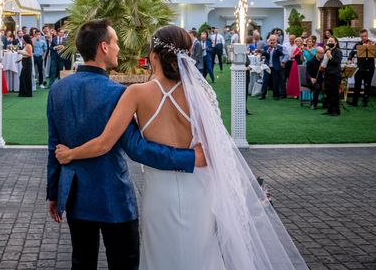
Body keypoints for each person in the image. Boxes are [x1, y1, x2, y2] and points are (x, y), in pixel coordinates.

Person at [54, 23, 307, 270]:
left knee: (160, 256)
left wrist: (70, 154)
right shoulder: (201, 94)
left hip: (159, 193)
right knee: (200, 256)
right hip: (198, 189)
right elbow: (210, 153)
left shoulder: (136, 94)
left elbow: (106, 143)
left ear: (154, 55)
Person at [46, 20, 204, 270]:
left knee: (81, 261)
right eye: (116, 42)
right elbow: (137, 149)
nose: (119, 48)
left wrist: (53, 192)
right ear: (104, 48)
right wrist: (190, 158)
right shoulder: (116, 92)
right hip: (115, 197)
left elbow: (53, 145)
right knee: (124, 263)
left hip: (74, 193)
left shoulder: (57, 89)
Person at [347, 29, 376, 107]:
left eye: (365, 36)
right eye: (362, 36)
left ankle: (365, 102)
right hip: (359, 67)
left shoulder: (372, 44)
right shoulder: (358, 45)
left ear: (367, 36)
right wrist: (350, 59)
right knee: (357, 85)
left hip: (369, 68)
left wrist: (372, 47)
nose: (364, 37)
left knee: (367, 85)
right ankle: (354, 102)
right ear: (360, 36)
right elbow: (351, 53)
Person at [259, 35, 285, 100]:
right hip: (267, 66)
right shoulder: (266, 47)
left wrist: (275, 47)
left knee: (275, 81)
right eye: (271, 40)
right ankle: (263, 94)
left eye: (273, 40)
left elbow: (281, 54)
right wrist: (268, 50)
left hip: (275, 66)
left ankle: (275, 95)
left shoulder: (279, 47)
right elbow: (263, 54)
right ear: (269, 40)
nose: (272, 41)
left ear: (276, 41)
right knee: (265, 80)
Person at [323, 36, 342, 116]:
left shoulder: (338, 51)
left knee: (334, 93)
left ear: (335, 43)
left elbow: (336, 62)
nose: (330, 42)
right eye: (329, 41)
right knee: (328, 92)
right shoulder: (327, 51)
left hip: (335, 75)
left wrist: (329, 55)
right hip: (327, 74)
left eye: (332, 41)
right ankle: (329, 109)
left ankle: (335, 110)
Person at [305, 46, 325, 110]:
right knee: (317, 87)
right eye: (321, 53)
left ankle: (327, 103)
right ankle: (314, 104)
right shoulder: (310, 61)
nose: (322, 55)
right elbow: (307, 73)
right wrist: (311, 78)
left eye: (323, 53)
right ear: (317, 53)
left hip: (320, 79)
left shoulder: (323, 61)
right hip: (311, 80)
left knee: (329, 85)